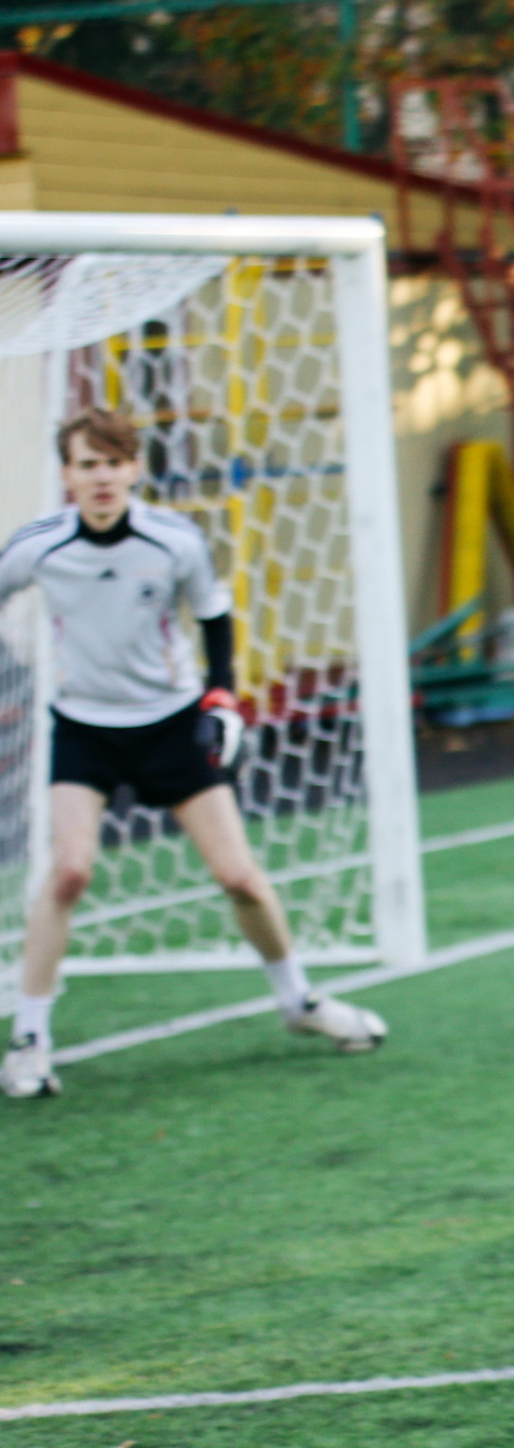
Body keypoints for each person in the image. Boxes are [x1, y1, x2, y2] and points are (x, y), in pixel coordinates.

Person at [1, 410, 385, 1099]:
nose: (101, 477)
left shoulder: (174, 539)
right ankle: (29, 1039)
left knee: (238, 875)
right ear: (66, 473)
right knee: (68, 873)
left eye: (114, 462)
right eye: (87, 464)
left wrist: (222, 700)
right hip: (83, 727)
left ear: (135, 469)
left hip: (172, 724)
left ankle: (298, 1002)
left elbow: (214, 619)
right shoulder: (36, 547)